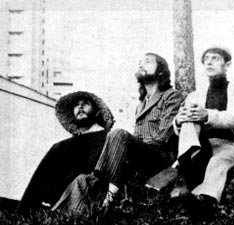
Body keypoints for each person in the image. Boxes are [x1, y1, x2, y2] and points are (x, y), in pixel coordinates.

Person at [52, 53, 184, 212]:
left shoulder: (171, 96)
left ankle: (110, 199)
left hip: (160, 159)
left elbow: (163, 137)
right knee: (83, 180)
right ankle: (61, 216)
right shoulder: (141, 105)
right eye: (139, 63)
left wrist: (130, 149)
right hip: (142, 160)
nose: (141, 65)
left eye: (147, 62)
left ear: (161, 71)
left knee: (117, 134)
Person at [172, 45, 234, 221]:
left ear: (227, 65)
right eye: (207, 59)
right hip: (202, 145)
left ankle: (205, 200)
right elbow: (181, 124)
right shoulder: (195, 95)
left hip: (229, 144)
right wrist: (178, 121)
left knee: (219, 161)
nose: (209, 62)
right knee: (189, 116)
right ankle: (186, 168)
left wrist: (207, 115)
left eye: (215, 58)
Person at [17, 91, 114, 213]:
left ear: (97, 111)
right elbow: (36, 186)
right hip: (60, 206)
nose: (80, 107)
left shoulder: (108, 138)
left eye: (86, 103)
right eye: (76, 105)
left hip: (94, 202)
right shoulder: (60, 147)